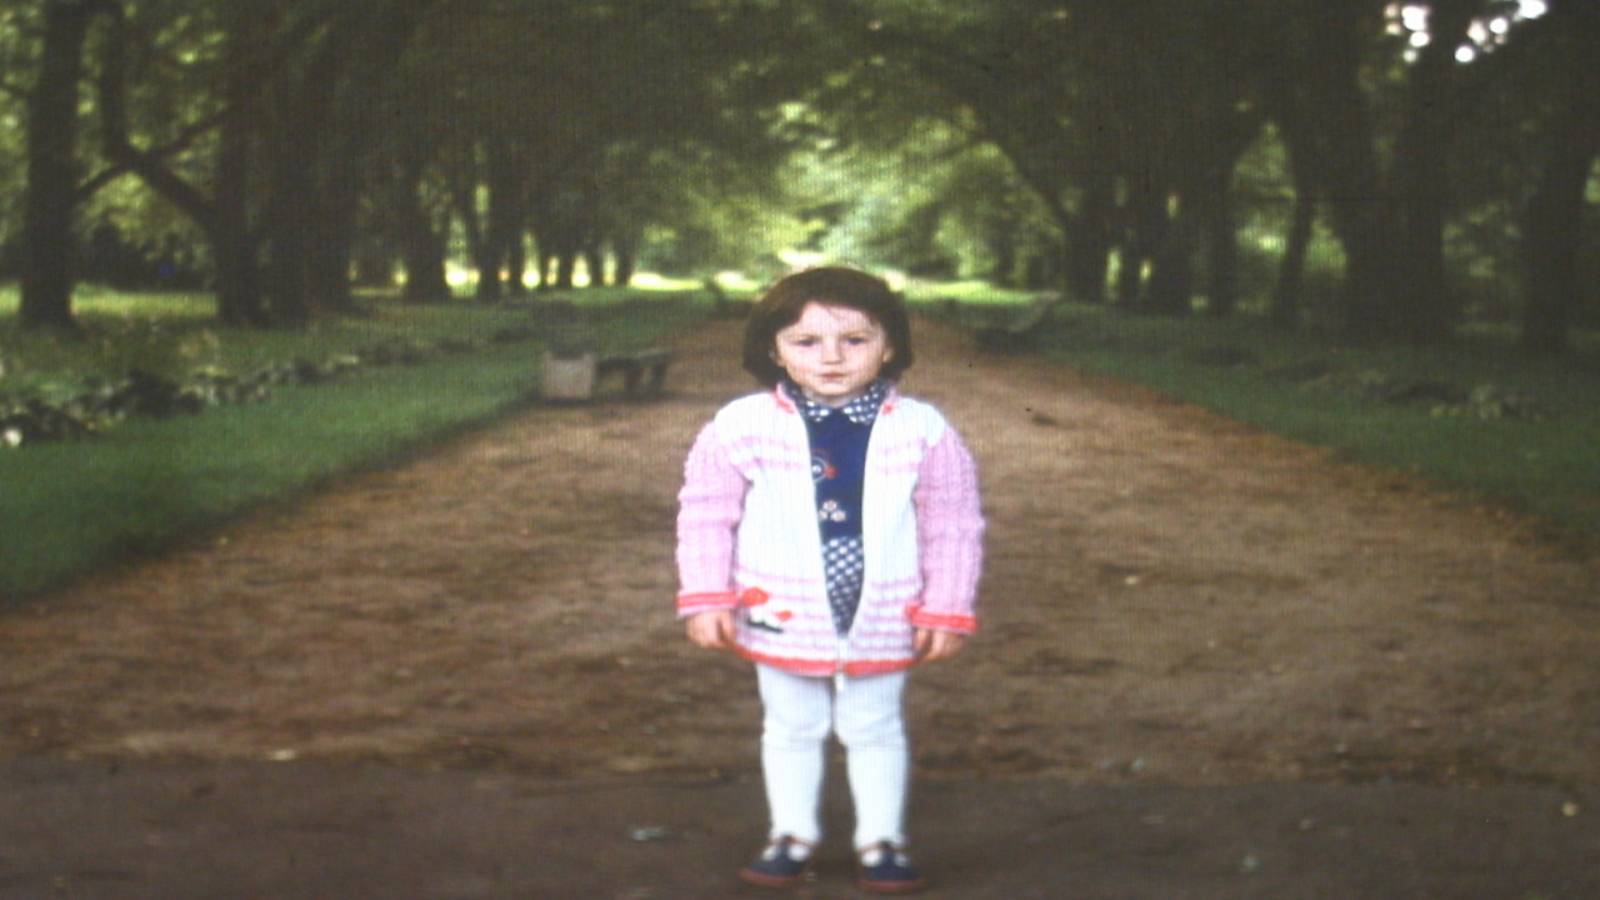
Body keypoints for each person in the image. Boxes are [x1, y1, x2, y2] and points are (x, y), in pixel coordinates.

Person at [675, 267, 985, 893]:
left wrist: (947, 605)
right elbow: (706, 513)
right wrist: (707, 596)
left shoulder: (924, 430)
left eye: (855, 339)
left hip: (884, 609)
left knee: (875, 724)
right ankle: (792, 835)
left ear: (889, 346)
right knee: (790, 724)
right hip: (782, 604)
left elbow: (952, 522)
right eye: (807, 341)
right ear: (774, 349)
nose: (832, 357)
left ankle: (881, 841)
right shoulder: (740, 426)